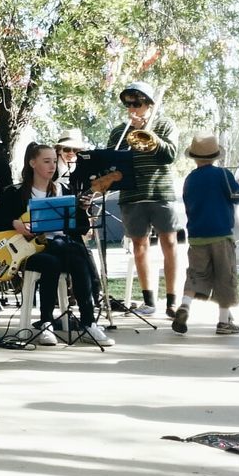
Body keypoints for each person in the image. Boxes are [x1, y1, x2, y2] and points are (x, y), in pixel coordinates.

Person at [0, 143, 113, 347]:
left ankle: (87, 323)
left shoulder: (64, 191)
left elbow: (79, 228)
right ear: (32, 163)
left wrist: (82, 210)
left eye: (54, 161)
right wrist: (14, 223)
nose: (52, 166)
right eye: (46, 161)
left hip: (62, 248)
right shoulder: (16, 193)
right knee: (61, 257)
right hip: (31, 252)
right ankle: (48, 322)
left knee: (75, 256)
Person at [105, 81, 181, 318]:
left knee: (169, 244)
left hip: (160, 193)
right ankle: (149, 301)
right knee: (139, 247)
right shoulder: (119, 131)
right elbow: (110, 162)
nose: (132, 109)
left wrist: (150, 135)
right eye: (128, 104)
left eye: (136, 103)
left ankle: (172, 301)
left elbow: (170, 155)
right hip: (131, 195)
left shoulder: (165, 124)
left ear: (149, 103)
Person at [173, 133, 239, 336]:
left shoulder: (189, 178)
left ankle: (185, 306)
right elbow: (238, 198)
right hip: (221, 235)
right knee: (225, 277)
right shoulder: (223, 174)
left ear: (194, 157)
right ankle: (224, 322)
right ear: (215, 156)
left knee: (195, 275)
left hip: (197, 236)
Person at [54, 127, 86, 193]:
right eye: (67, 149)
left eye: (75, 150)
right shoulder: (51, 167)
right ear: (59, 150)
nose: (71, 153)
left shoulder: (78, 168)